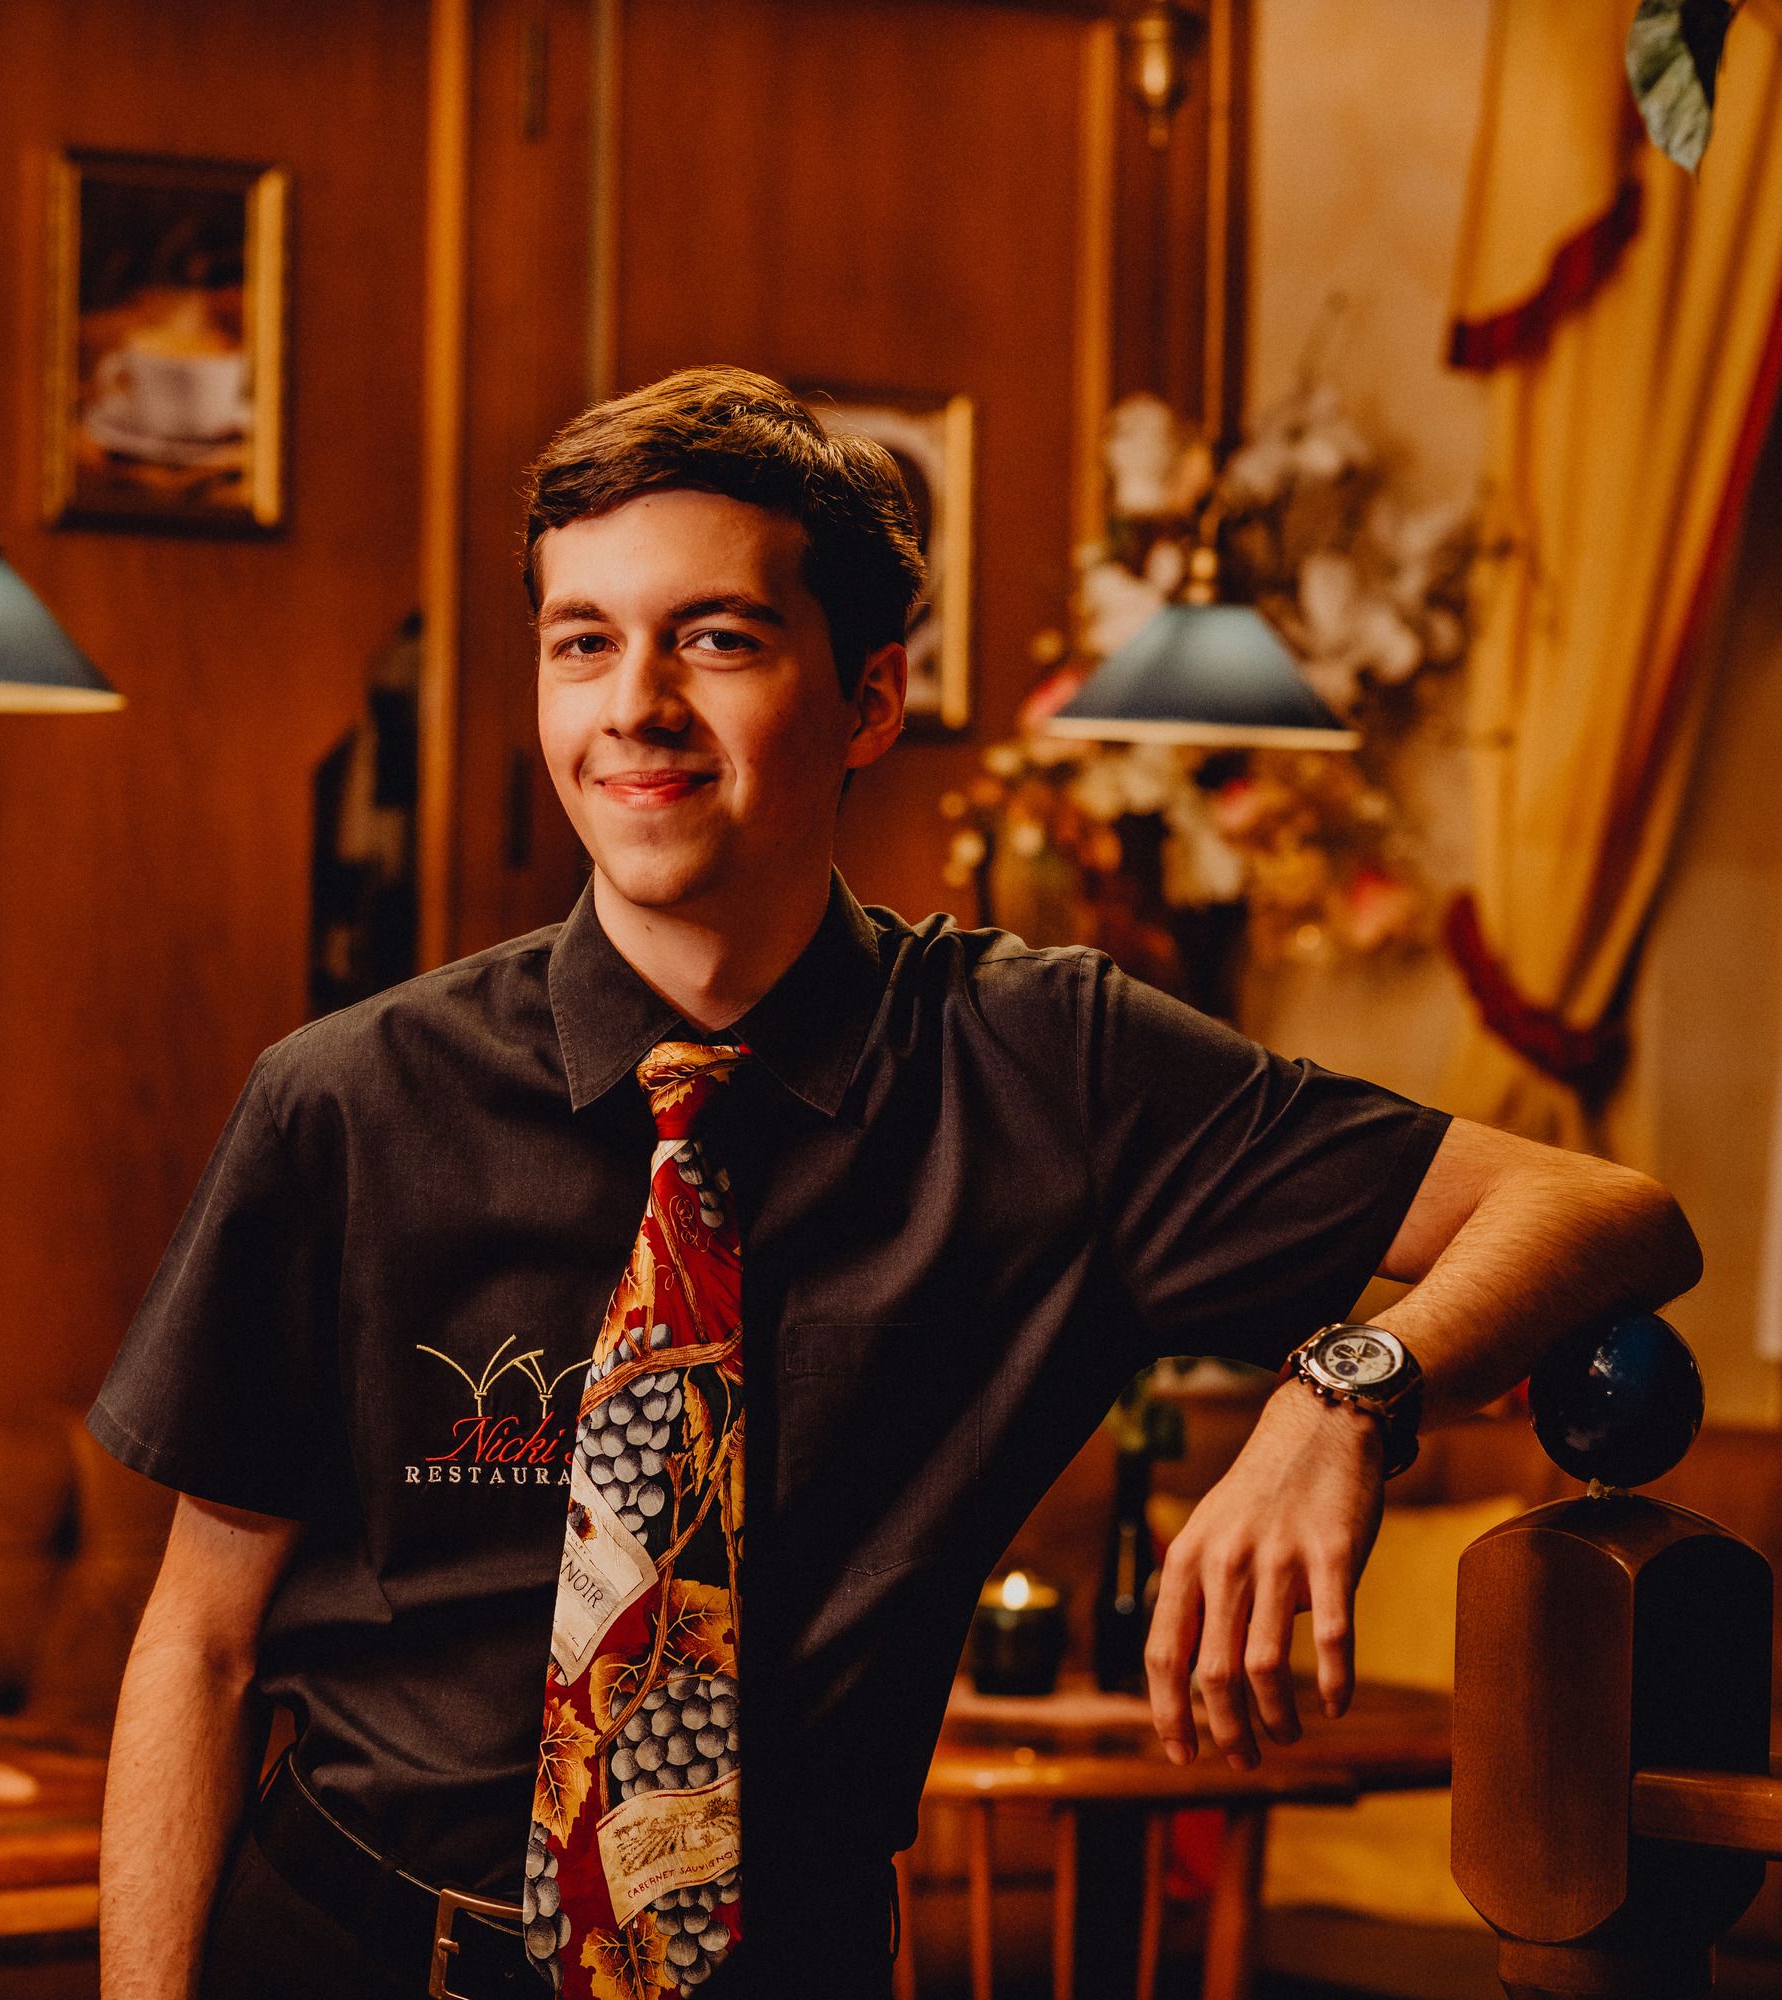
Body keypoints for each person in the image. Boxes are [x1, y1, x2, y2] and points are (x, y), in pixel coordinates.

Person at [90, 366, 1699, 2000]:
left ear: (870, 700)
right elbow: (202, 1647)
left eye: (715, 637)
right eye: (583, 641)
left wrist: (1347, 1392)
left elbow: (1605, 1209)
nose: (634, 702)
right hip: (351, 1948)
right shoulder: (348, 1103)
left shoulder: (1046, 1070)